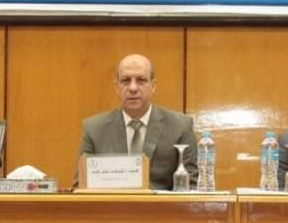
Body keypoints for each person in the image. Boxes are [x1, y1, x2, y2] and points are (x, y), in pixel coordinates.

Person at [75, 54, 197, 190]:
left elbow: (191, 186)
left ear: (153, 86)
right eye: (126, 81)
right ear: (117, 87)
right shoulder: (94, 128)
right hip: (111, 204)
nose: (133, 88)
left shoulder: (180, 126)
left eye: (141, 80)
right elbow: (81, 185)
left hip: (160, 204)